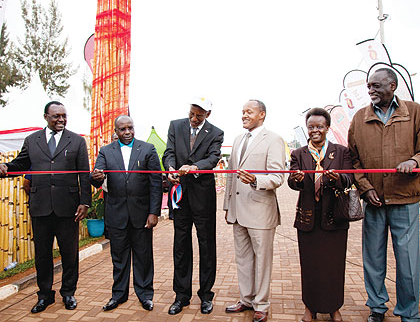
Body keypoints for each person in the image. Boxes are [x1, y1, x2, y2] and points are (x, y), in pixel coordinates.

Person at [0, 101, 91, 313]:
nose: (61, 119)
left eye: (64, 116)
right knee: (42, 255)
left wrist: (84, 202)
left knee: (70, 254)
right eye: (56, 116)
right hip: (40, 207)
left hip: (68, 208)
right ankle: (44, 295)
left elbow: (84, 175)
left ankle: (68, 293)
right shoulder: (32, 141)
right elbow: (21, 164)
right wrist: (6, 167)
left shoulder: (77, 141)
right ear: (45, 117)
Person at [348, 68, 420, 322]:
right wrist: (366, 189)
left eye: (376, 86)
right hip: (374, 201)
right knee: (374, 260)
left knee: (409, 261)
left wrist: (414, 160)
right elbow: (353, 160)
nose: (371, 91)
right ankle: (377, 308)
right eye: (369, 86)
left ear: (393, 85)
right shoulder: (359, 118)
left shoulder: (414, 112)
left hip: (406, 199)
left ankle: (409, 312)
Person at [90, 115, 162, 312]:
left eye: (130, 128)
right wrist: (95, 176)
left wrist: (153, 212)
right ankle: (118, 295)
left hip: (142, 215)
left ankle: (145, 295)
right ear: (116, 131)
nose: (127, 132)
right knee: (119, 259)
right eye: (122, 129)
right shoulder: (105, 151)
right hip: (116, 215)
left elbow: (156, 182)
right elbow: (96, 177)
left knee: (143, 257)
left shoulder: (148, 149)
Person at [288, 108, 353, 322]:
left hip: (334, 218)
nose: (315, 130)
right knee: (310, 266)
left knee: (334, 266)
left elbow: (349, 179)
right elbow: (292, 183)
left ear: (327, 128)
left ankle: (334, 307)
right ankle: (310, 308)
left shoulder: (341, 151)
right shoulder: (298, 154)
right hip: (308, 218)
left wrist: (336, 179)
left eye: (319, 127)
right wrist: (297, 178)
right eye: (311, 127)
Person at [224, 99, 285, 322]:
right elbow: (231, 175)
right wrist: (227, 206)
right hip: (238, 211)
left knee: (262, 260)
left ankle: (261, 304)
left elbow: (278, 176)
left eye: (249, 112)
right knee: (243, 259)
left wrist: (256, 180)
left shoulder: (275, 139)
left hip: (261, 211)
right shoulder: (238, 139)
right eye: (242, 112)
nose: (244, 115)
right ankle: (246, 299)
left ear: (262, 115)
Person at [162, 96, 224, 315]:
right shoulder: (175, 126)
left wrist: (195, 166)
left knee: (206, 246)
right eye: (191, 114)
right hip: (180, 196)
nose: (194, 119)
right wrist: (170, 168)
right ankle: (181, 295)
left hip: (203, 197)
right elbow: (169, 152)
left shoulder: (216, 133)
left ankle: (206, 295)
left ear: (208, 114)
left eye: (199, 115)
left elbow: (213, 158)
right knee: (181, 246)